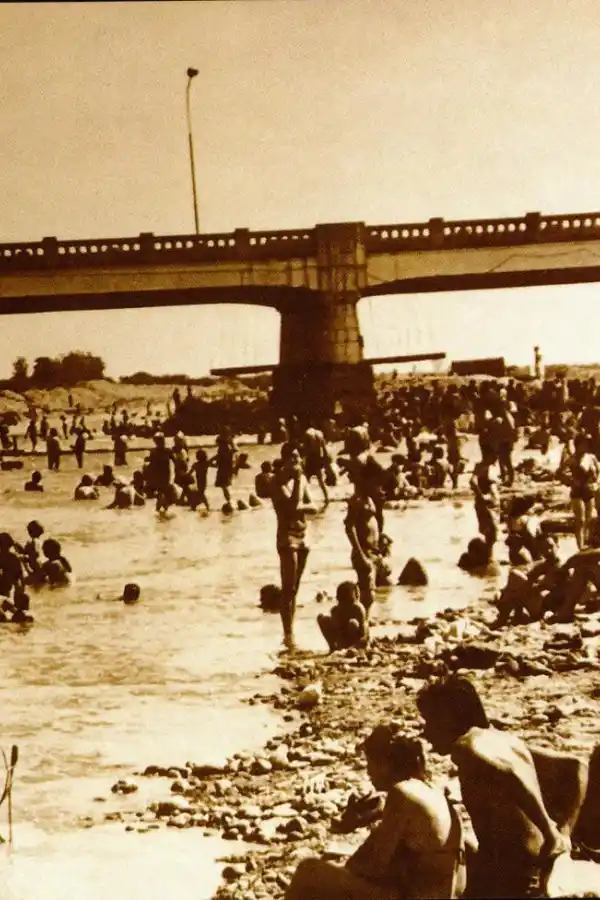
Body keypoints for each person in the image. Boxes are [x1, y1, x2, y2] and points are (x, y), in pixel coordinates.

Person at [417, 675, 571, 899]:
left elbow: (507, 773)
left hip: (513, 877)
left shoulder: (466, 746)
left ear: (448, 717)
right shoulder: (504, 739)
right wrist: (565, 828)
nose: (426, 732)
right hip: (531, 864)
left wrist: (550, 831)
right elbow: (576, 766)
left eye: (430, 720)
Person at [285, 725, 467, 900]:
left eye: (370, 762)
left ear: (385, 764)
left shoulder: (402, 793)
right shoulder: (431, 790)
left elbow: (374, 867)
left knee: (308, 871)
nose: (368, 771)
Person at [270, 443, 315, 650]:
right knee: (288, 588)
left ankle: (291, 631)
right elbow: (291, 506)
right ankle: (287, 634)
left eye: (299, 458)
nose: (297, 462)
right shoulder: (277, 482)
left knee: (295, 588)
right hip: (287, 538)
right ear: (285, 459)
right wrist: (297, 481)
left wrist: (299, 504)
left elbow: (312, 506)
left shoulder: (302, 479)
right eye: (293, 458)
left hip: (303, 535)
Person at [559, 433, 600, 550]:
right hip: (577, 492)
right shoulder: (572, 459)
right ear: (578, 445)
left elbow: (598, 472)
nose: (586, 446)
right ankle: (580, 546)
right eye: (584, 444)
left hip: (589, 490)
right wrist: (570, 481)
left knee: (589, 519)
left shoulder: (591, 457)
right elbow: (559, 473)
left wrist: (596, 483)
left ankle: (587, 542)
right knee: (580, 520)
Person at [344, 486, 381, 615]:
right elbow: (349, 527)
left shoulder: (368, 498)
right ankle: (362, 622)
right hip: (363, 551)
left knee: (368, 591)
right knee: (368, 594)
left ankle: (365, 622)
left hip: (373, 551)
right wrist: (360, 554)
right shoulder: (357, 501)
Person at [317, 580, 368, 652]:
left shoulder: (358, 609)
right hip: (342, 638)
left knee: (353, 623)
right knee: (322, 618)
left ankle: (351, 647)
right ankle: (333, 648)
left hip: (356, 641)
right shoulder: (335, 610)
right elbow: (336, 628)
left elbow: (363, 634)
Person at [469, 450, 500, 557]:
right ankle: (489, 557)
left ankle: (490, 556)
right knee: (491, 532)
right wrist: (480, 495)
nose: (497, 457)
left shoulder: (490, 467)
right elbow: (472, 481)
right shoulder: (481, 467)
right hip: (486, 504)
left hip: (492, 504)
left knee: (492, 533)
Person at [302, 425, 330, 504]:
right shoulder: (319, 433)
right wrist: (325, 459)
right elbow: (324, 448)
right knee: (320, 480)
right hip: (318, 458)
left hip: (310, 459)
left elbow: (306, 449)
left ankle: (306, 499)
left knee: (305, 479)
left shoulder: (307, 433)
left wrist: (303, 460)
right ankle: (326, 498)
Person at [211, 428, 237, 505]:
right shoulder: (228, 445)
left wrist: (211, 461)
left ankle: (229, 501)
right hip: (224, 467)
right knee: (224, 485)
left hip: (225, 468)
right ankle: (229, 501)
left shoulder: (226, 446)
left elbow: (220, 456)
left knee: (224, 485)